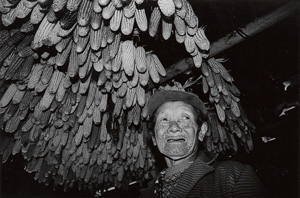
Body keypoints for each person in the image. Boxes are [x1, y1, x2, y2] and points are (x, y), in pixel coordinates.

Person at [140, 90, 267, 198]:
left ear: (201, 132)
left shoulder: (233, 177)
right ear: (153, 138)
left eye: (185, 118)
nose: (174, 127)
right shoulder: (146, 193)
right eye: (164, 119)